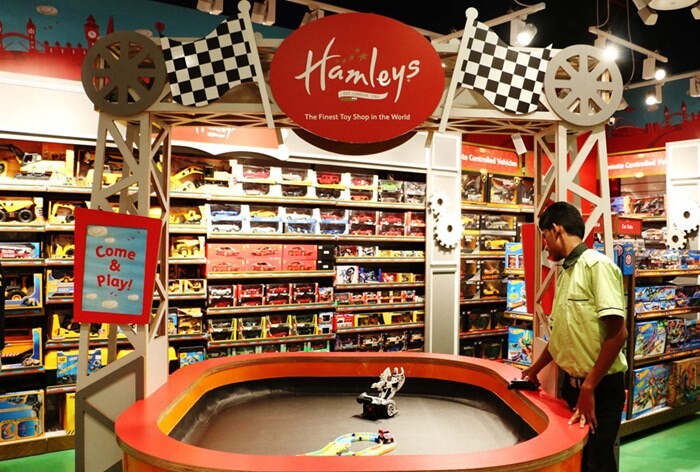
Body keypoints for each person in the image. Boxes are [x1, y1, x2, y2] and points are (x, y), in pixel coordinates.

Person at [522, 201, 628, 472]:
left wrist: (589, 388)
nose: (544, 245)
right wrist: (534, 369)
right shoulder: (566, 272)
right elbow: (561, 336)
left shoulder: (597, 266)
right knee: (576, 462)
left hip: (600, 390)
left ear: (557, 230)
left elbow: (618, 334)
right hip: (573, 388)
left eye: (545, 236)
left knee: (596, 462)